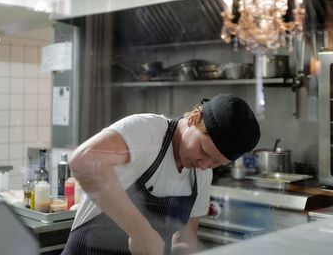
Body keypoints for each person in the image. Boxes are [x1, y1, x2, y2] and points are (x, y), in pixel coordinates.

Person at [62, 94, 260, 255]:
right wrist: (140, 231)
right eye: (204, 152)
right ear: (194, 117)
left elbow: (185, 238)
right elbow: (83, 160)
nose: (204, 165)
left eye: (216, 163)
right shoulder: (147, 131)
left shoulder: (201, 174)